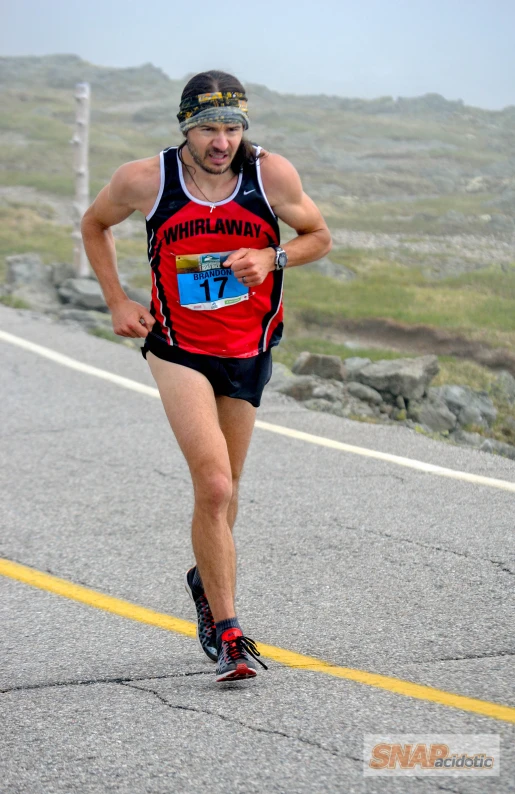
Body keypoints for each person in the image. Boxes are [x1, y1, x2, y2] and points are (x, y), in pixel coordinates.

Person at [81, 69, 332, 683]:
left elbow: (319, 237)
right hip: (178, 347)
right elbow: (95, 224)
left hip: (249, 347)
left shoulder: (270, 175)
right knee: (215, 484)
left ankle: (204, 575)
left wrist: (271, 256)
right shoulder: (146, 179)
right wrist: (117, 300)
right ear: (184, 128)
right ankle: (229, 634)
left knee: (229, 490)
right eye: (208, 129)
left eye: (232, 128)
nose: (221, 141)